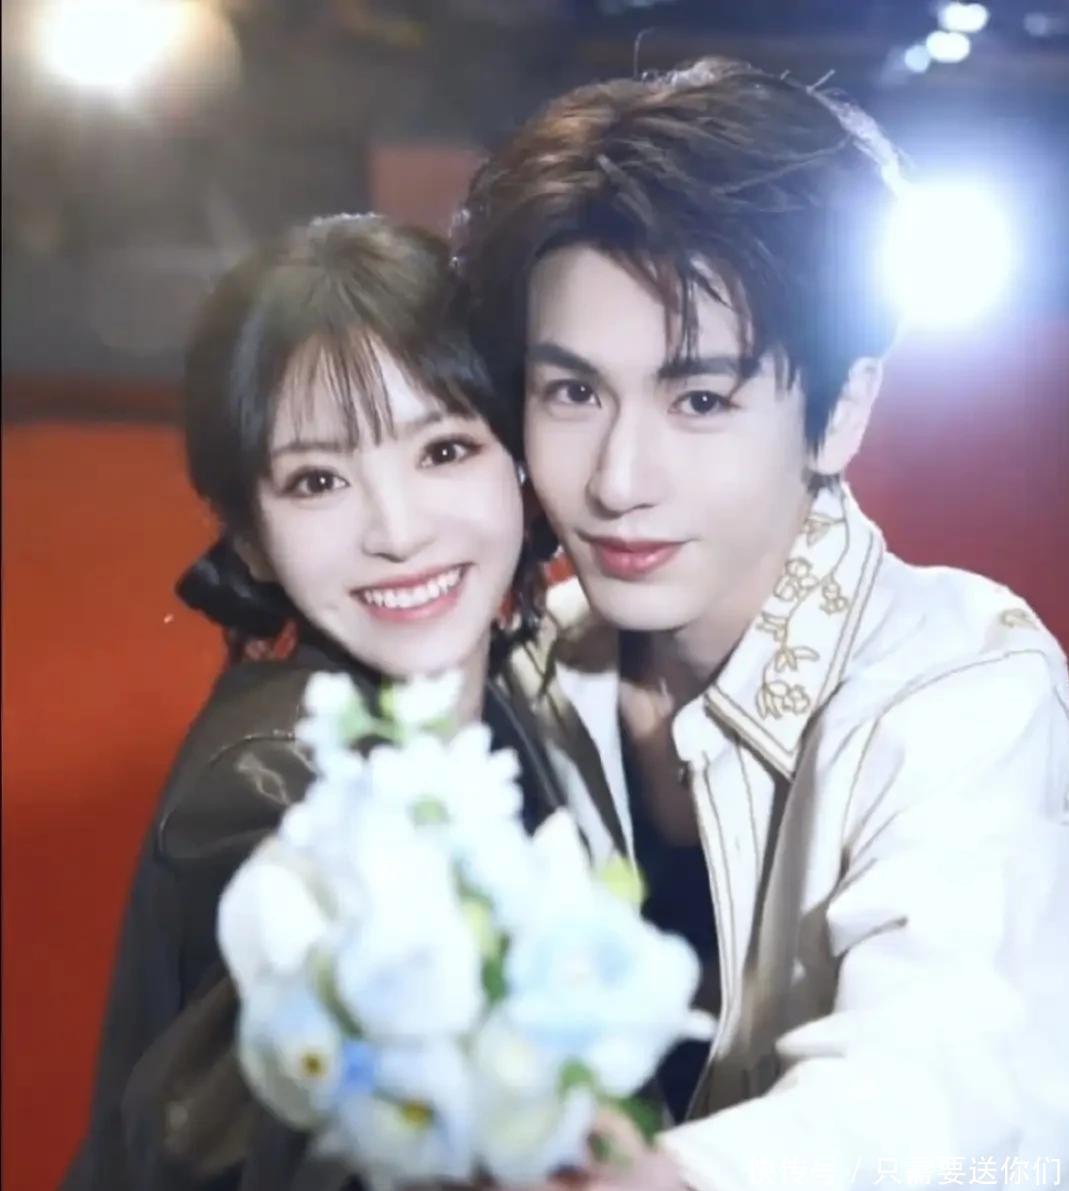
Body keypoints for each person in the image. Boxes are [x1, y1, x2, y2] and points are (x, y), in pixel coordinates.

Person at [455, 57, 1069, 1188]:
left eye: (700, 399)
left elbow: (941, 1075)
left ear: (841, 412)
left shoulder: (962, 689)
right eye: (573, 393)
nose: (619, 480)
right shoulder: (524, 674)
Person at [63, 212, 565, 1191]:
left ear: (522, 458)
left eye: (443, 450)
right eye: (319, 479)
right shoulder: (278, 793)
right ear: (247, 535)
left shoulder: (498, 694)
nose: (398, 532)